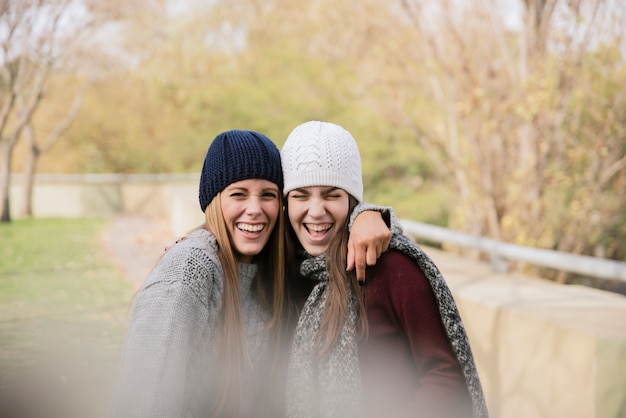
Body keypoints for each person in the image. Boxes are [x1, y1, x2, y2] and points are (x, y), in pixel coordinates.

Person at [110, 129, 391, 418]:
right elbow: (143, 401)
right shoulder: (188, 270)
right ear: (214, 201)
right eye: (239, 194)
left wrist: (365, 214)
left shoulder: (278, 265)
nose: (255, 209)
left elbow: (328, 212)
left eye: (268, 195)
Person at [281, 121, 489, 418]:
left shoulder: (389, 267)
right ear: (286, 203)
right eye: (301, 195)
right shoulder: (285, 273)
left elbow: (446, 373)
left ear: (352, 200)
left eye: (331, 195)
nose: (316, 210)